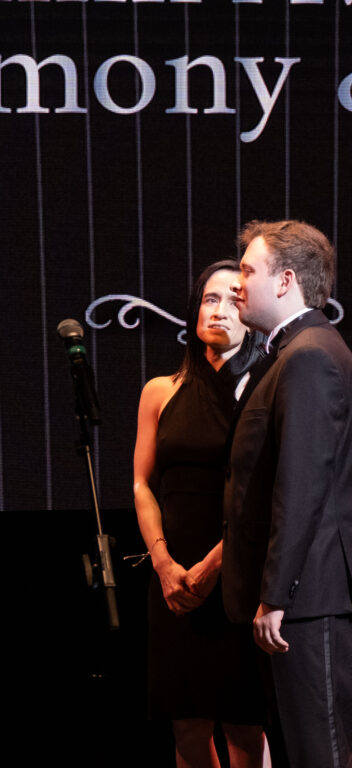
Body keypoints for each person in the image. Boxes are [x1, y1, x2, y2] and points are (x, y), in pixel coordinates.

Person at [223, 220, 352, 768]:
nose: (237, 285)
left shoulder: (308, 355)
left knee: (319, 753)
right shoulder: (292, 352)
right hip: (299, 601)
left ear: (286, 281)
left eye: (248, 272)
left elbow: (301, 485)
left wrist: (278, 595)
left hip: (307, 601)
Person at [134, 260, 269, 767]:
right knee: (187, 730)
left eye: (235, 299)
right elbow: (142, 483)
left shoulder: (264, 389)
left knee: (243, 734)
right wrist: (164, 565)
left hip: (236, 577)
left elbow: (267, 495)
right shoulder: (159, 390)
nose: (220, 310)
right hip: (172, 584)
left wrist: (214, 567)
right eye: (210, 299)